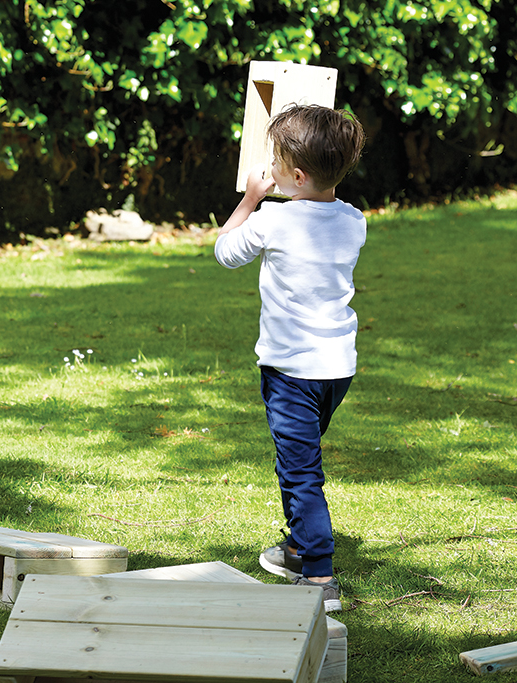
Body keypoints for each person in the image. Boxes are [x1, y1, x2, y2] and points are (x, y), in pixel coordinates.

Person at [213, 103, 366, 612]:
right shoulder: (353, 220)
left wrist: (252, 199)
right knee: (295, 460)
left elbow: (225, 252)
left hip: (291, 372)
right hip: (337, 368)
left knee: (301, 472)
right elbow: (326, 200)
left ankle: (319, 577)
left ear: (295, 176)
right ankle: (299, 546)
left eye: (275, 162)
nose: (269, 168)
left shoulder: (273, 220)